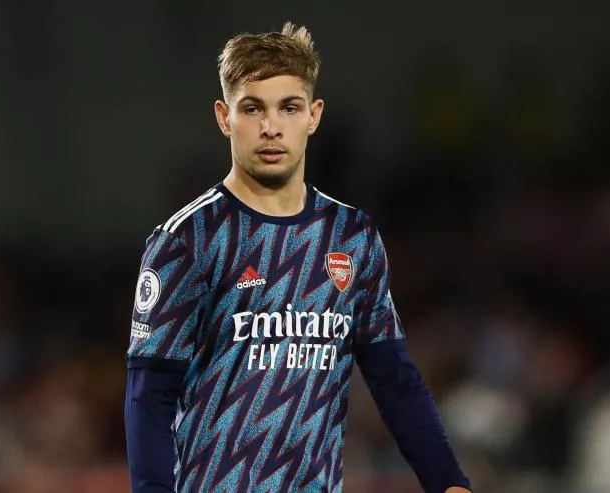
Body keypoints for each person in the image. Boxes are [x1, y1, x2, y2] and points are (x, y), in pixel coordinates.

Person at [124, 22, 472, 493]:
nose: (271, 127)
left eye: (288, 107)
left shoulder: (353, 236)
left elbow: (393, 379)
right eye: (253, 108)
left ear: (314, 115)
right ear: (225, 117)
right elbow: (150, 394)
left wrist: (448, 482)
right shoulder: (188, 240)